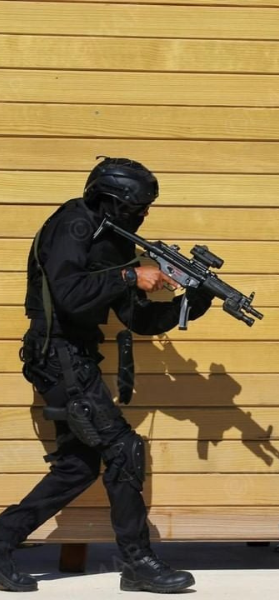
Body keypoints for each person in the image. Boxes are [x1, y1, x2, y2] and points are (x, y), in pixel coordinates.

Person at [0, 157, 213, 593]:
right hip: (57, 354)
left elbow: (139, 319)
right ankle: (138, 564)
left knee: (77, 468)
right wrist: (130, 275)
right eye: (138, 206)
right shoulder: (73, 224)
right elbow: (69, 294)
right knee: (123, 449)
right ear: (113, 200)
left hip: (74, 357)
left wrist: (192, 302)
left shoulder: (111, 238)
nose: (145, 214)